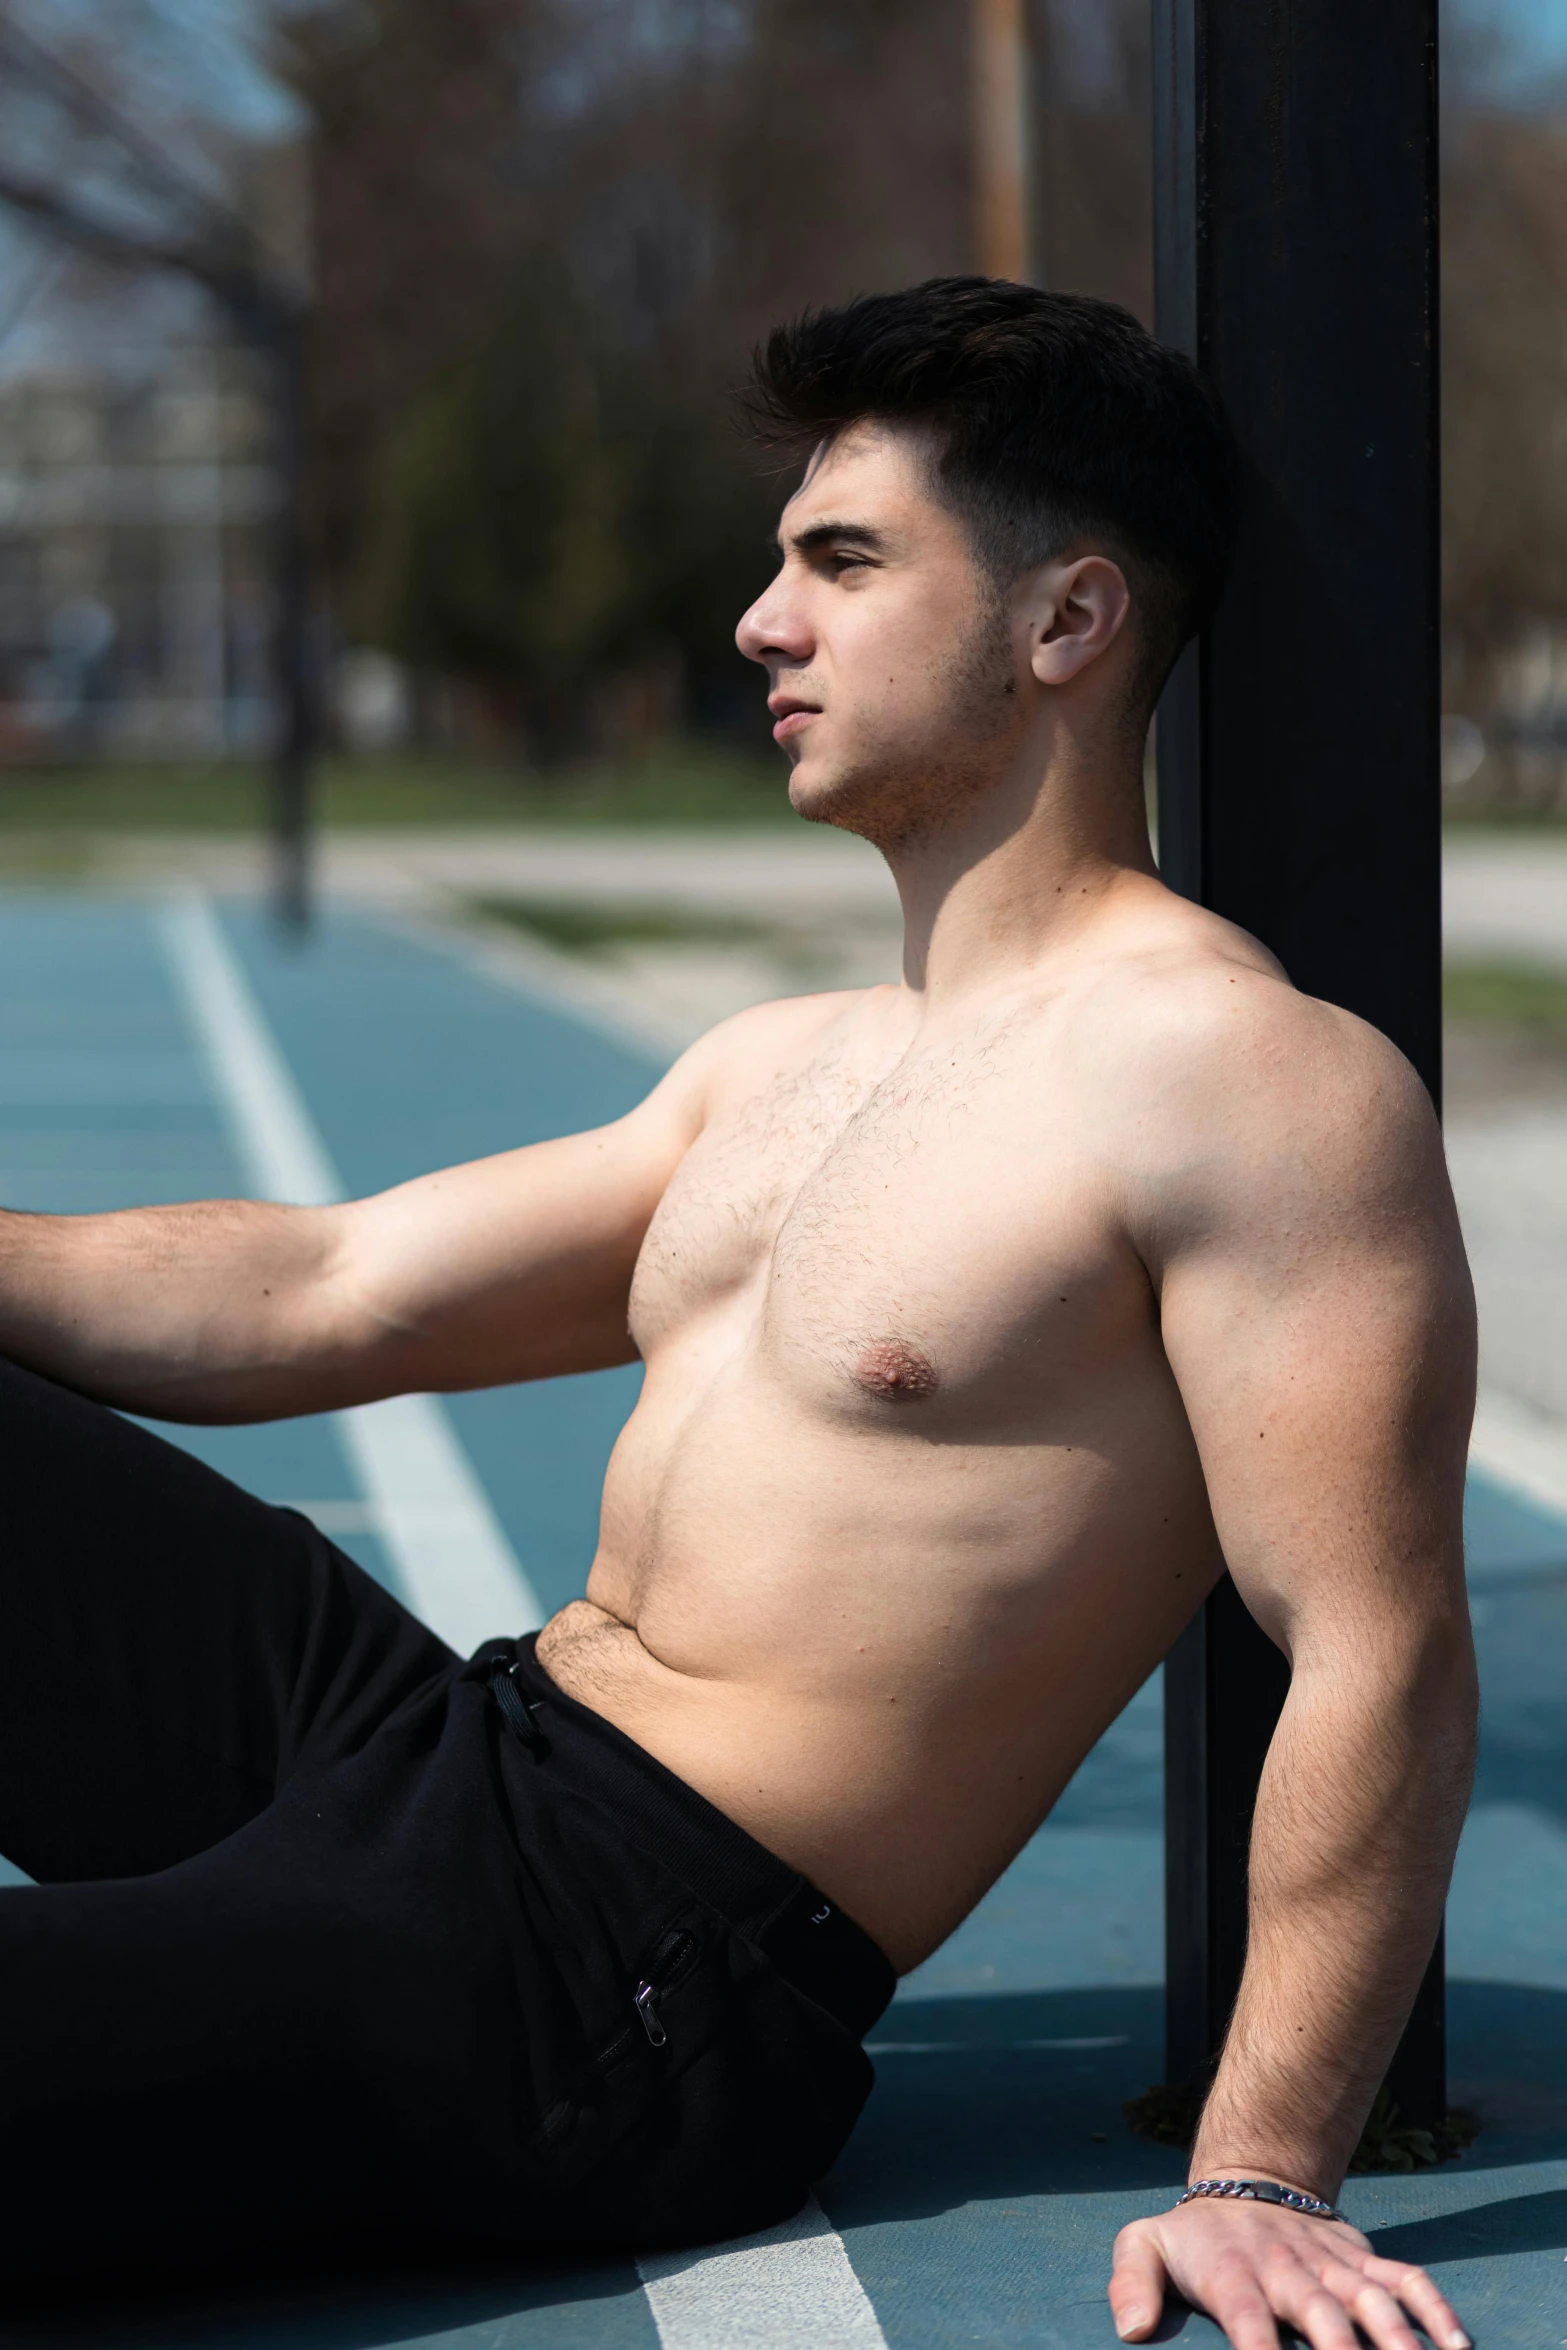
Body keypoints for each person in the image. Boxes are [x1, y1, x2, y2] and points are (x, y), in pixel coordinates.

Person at [0, 278, 1475, 2348]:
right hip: (443, 1742)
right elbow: (327, 1288)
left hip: (617, 1960)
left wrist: (1260, 2166)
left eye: (840, 560)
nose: (758, 623)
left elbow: (1377, 1637)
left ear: (1066, 621)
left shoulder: (1244, 1083)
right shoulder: (779, 1066)